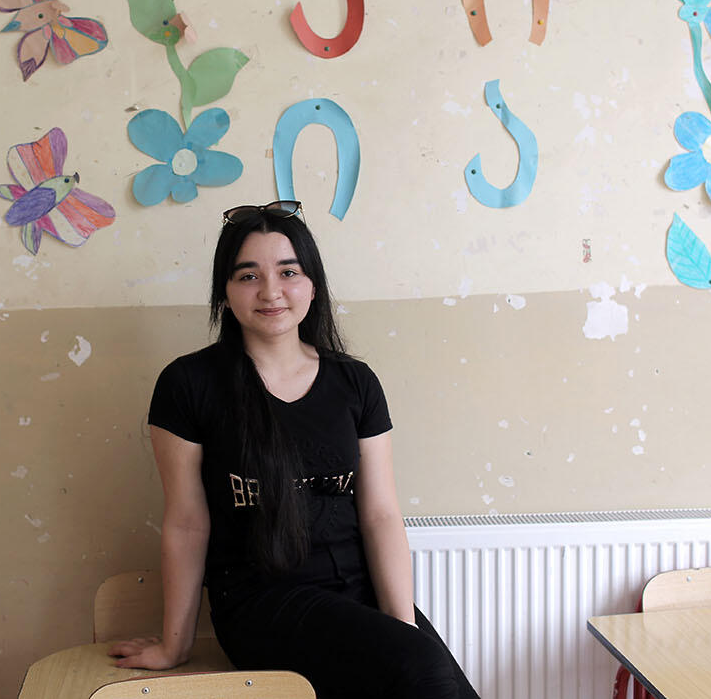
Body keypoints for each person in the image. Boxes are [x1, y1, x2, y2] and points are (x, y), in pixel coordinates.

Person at [109, 201, 480, 699]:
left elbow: (381, 516)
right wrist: (175, 646)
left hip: (356, 592)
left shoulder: (355, 382)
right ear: (224, 290)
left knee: (437, 678)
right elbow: (187, 522)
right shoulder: (189, 384)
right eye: (248, 275)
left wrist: (400, 629)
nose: (270, 291)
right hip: (261, 602)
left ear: (312, 284)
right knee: (421, 673)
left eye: (289, 271)